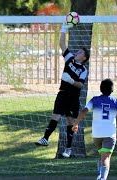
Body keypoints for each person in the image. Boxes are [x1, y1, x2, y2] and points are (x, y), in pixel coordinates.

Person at [35, 23, 90, 159]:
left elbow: (79, 85)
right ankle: (45, 138)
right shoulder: (70, 59)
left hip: (73, 97)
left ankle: (68, 149)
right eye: (78, 51)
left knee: (70, 122)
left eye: (81, 52)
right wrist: (64, 29)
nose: (78, 52)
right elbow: (62, 44)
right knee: (55, 116)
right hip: (62, 94)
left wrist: (70, 80)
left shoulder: (83, 70)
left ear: (84, 58)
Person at [72, 79, 117, 180]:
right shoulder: (116, 101)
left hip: (97, 134)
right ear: (112, 90)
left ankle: (99, 174)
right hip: (109, 134)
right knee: (106, 157)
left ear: (100, 89)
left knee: (102, 154)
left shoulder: (94, 100)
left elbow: (84, 111)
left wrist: (76, 124)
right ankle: (102, 178)